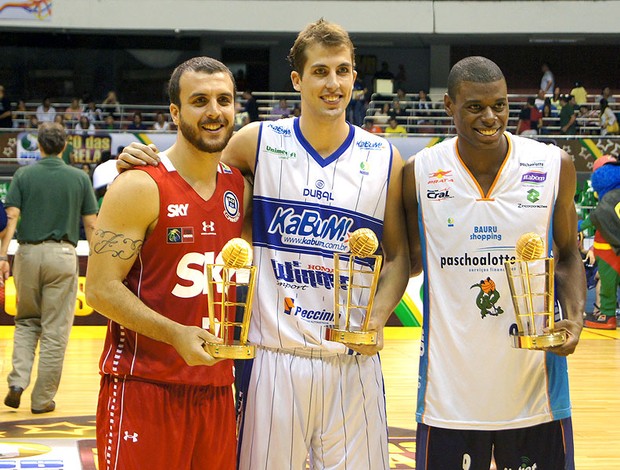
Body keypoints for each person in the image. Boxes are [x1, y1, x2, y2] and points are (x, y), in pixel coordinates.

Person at [118, 18, 409, 470]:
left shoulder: (384, 156)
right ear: (297, 79)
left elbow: (398, 257)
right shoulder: (257, 142)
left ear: (354, 76)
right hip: (273, 358)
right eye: (320, 71)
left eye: (343, 70)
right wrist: (144, 160)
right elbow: (194, 171)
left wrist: (375, 318)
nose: (333, 83)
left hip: (352, 359)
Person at [403, 56, 585, 469]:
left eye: (499, 105)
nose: (490, 117)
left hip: (534, 394)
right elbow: (408, 262)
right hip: (447, 397)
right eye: (475, 107)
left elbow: (569, 253)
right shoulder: (418, 173)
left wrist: (574, 318)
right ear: (449, 106)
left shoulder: (553, 165)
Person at [85, 56, 250, 470]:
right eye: (199, 100)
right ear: (175, 112)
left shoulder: (238, 187)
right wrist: (175, 334)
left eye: (223, 100)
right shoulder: (139, 183)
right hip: (145, 387)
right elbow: (100, 289)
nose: (214, 111)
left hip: (216, 389)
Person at [1, 122, 98, 414]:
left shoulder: (23, 174)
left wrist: (3, 256)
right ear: (65, 146)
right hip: (63, 255)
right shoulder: (78, 178)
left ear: (39, 146)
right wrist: (96, 259)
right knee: (55, 330)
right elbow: (91, 222)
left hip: (27, 254)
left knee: (26, 321)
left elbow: (12, 216)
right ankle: (42, 399)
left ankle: (17, 381)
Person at [584, 155, 620, 329]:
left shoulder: (606, 204)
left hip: (608, 252)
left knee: (606, 284)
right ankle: (605, 313)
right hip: (605, 250)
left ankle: (606, 314)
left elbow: (592, 221)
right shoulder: (609, 203)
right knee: (604, 283)